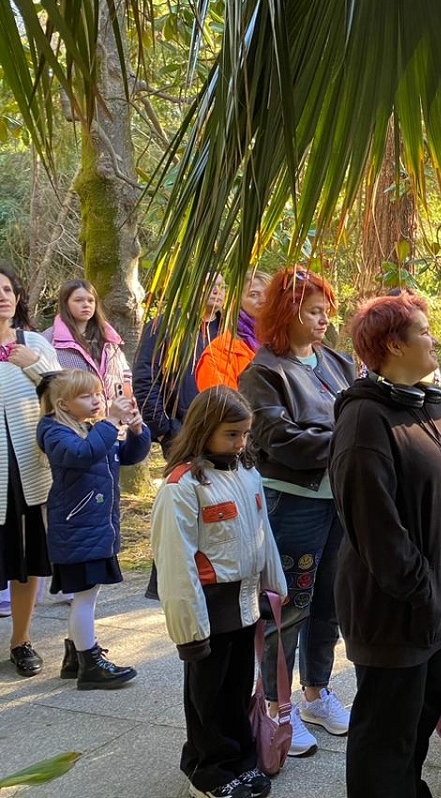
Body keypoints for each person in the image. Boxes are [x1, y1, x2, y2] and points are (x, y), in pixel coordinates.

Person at [329, 293, 441, 798]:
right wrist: (426, 591)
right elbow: (376, 529)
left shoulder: (432, 402)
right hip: (396, 612)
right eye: (423, 331)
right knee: (385, 734)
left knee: (416, 724)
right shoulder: (363, 420)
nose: (434, 338)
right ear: (393, 344)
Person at [238, 266, 357, 757]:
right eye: (313, 311)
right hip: (294, 502)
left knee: (330, 600)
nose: (324, 319)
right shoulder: (263, 372)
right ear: (287, 314)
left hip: (340, 501)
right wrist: (348, 441)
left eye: (327, 310)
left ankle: (315, 693)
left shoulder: (338, 364)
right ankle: (274, 705)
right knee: (288, 607)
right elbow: (277, 439)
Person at [150, 386, 286, 798]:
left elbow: (264, 537)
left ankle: (239, 761)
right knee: (207, 694)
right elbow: (175, 563)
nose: (241, 442)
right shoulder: (183, 485)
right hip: (207, 608)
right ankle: (207, 771)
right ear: (204, 429)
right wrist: (189, 630)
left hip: (244, 604)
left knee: (237, 687)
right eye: (231, 434)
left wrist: (273, 587)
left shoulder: (247, 472)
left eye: (245, 433)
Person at [36, 370, 150, 688]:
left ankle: (76, 655)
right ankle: (90, 664)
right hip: (77, 527)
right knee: (83, 598)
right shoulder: (55, 432)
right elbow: (84, 455)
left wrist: (137, 429)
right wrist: (111, 422)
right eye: (86, 396)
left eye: (97, 393)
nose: (97, 399)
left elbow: (126, 455)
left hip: (95, 526)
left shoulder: (89, 427)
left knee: (88, 595)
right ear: (63, 403)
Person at [0, 264, 60, 676]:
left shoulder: (34, 343)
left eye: (7, 289)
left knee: (24, 559)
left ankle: (21, 641)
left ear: (18, 297)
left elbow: (66, 394)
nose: (2, 296)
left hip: (27, 471)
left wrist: (33, 363)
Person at [134, 273, 226, 450]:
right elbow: (145, 378)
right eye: (209, 285)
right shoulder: (163, 327)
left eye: (222, 287)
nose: (217, 291)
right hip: (183, 432)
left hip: (229, 430)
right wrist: (165, 432)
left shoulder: (232, 331)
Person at [42, 279, 132, 413]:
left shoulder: (110, 338)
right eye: (78, 300)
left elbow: (125, 377)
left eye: (90, 301)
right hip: (73, 424)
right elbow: (47, 386)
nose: (86, 305)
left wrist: (128, 411)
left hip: (115, 423)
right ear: (65, 303)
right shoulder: (49, 339)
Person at [196, 271, 270, 392]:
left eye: (268, 294)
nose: (263, 300)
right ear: (238, 302)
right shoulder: (218, 353)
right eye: (253, 295)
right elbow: (223, 408)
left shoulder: (286, 342)